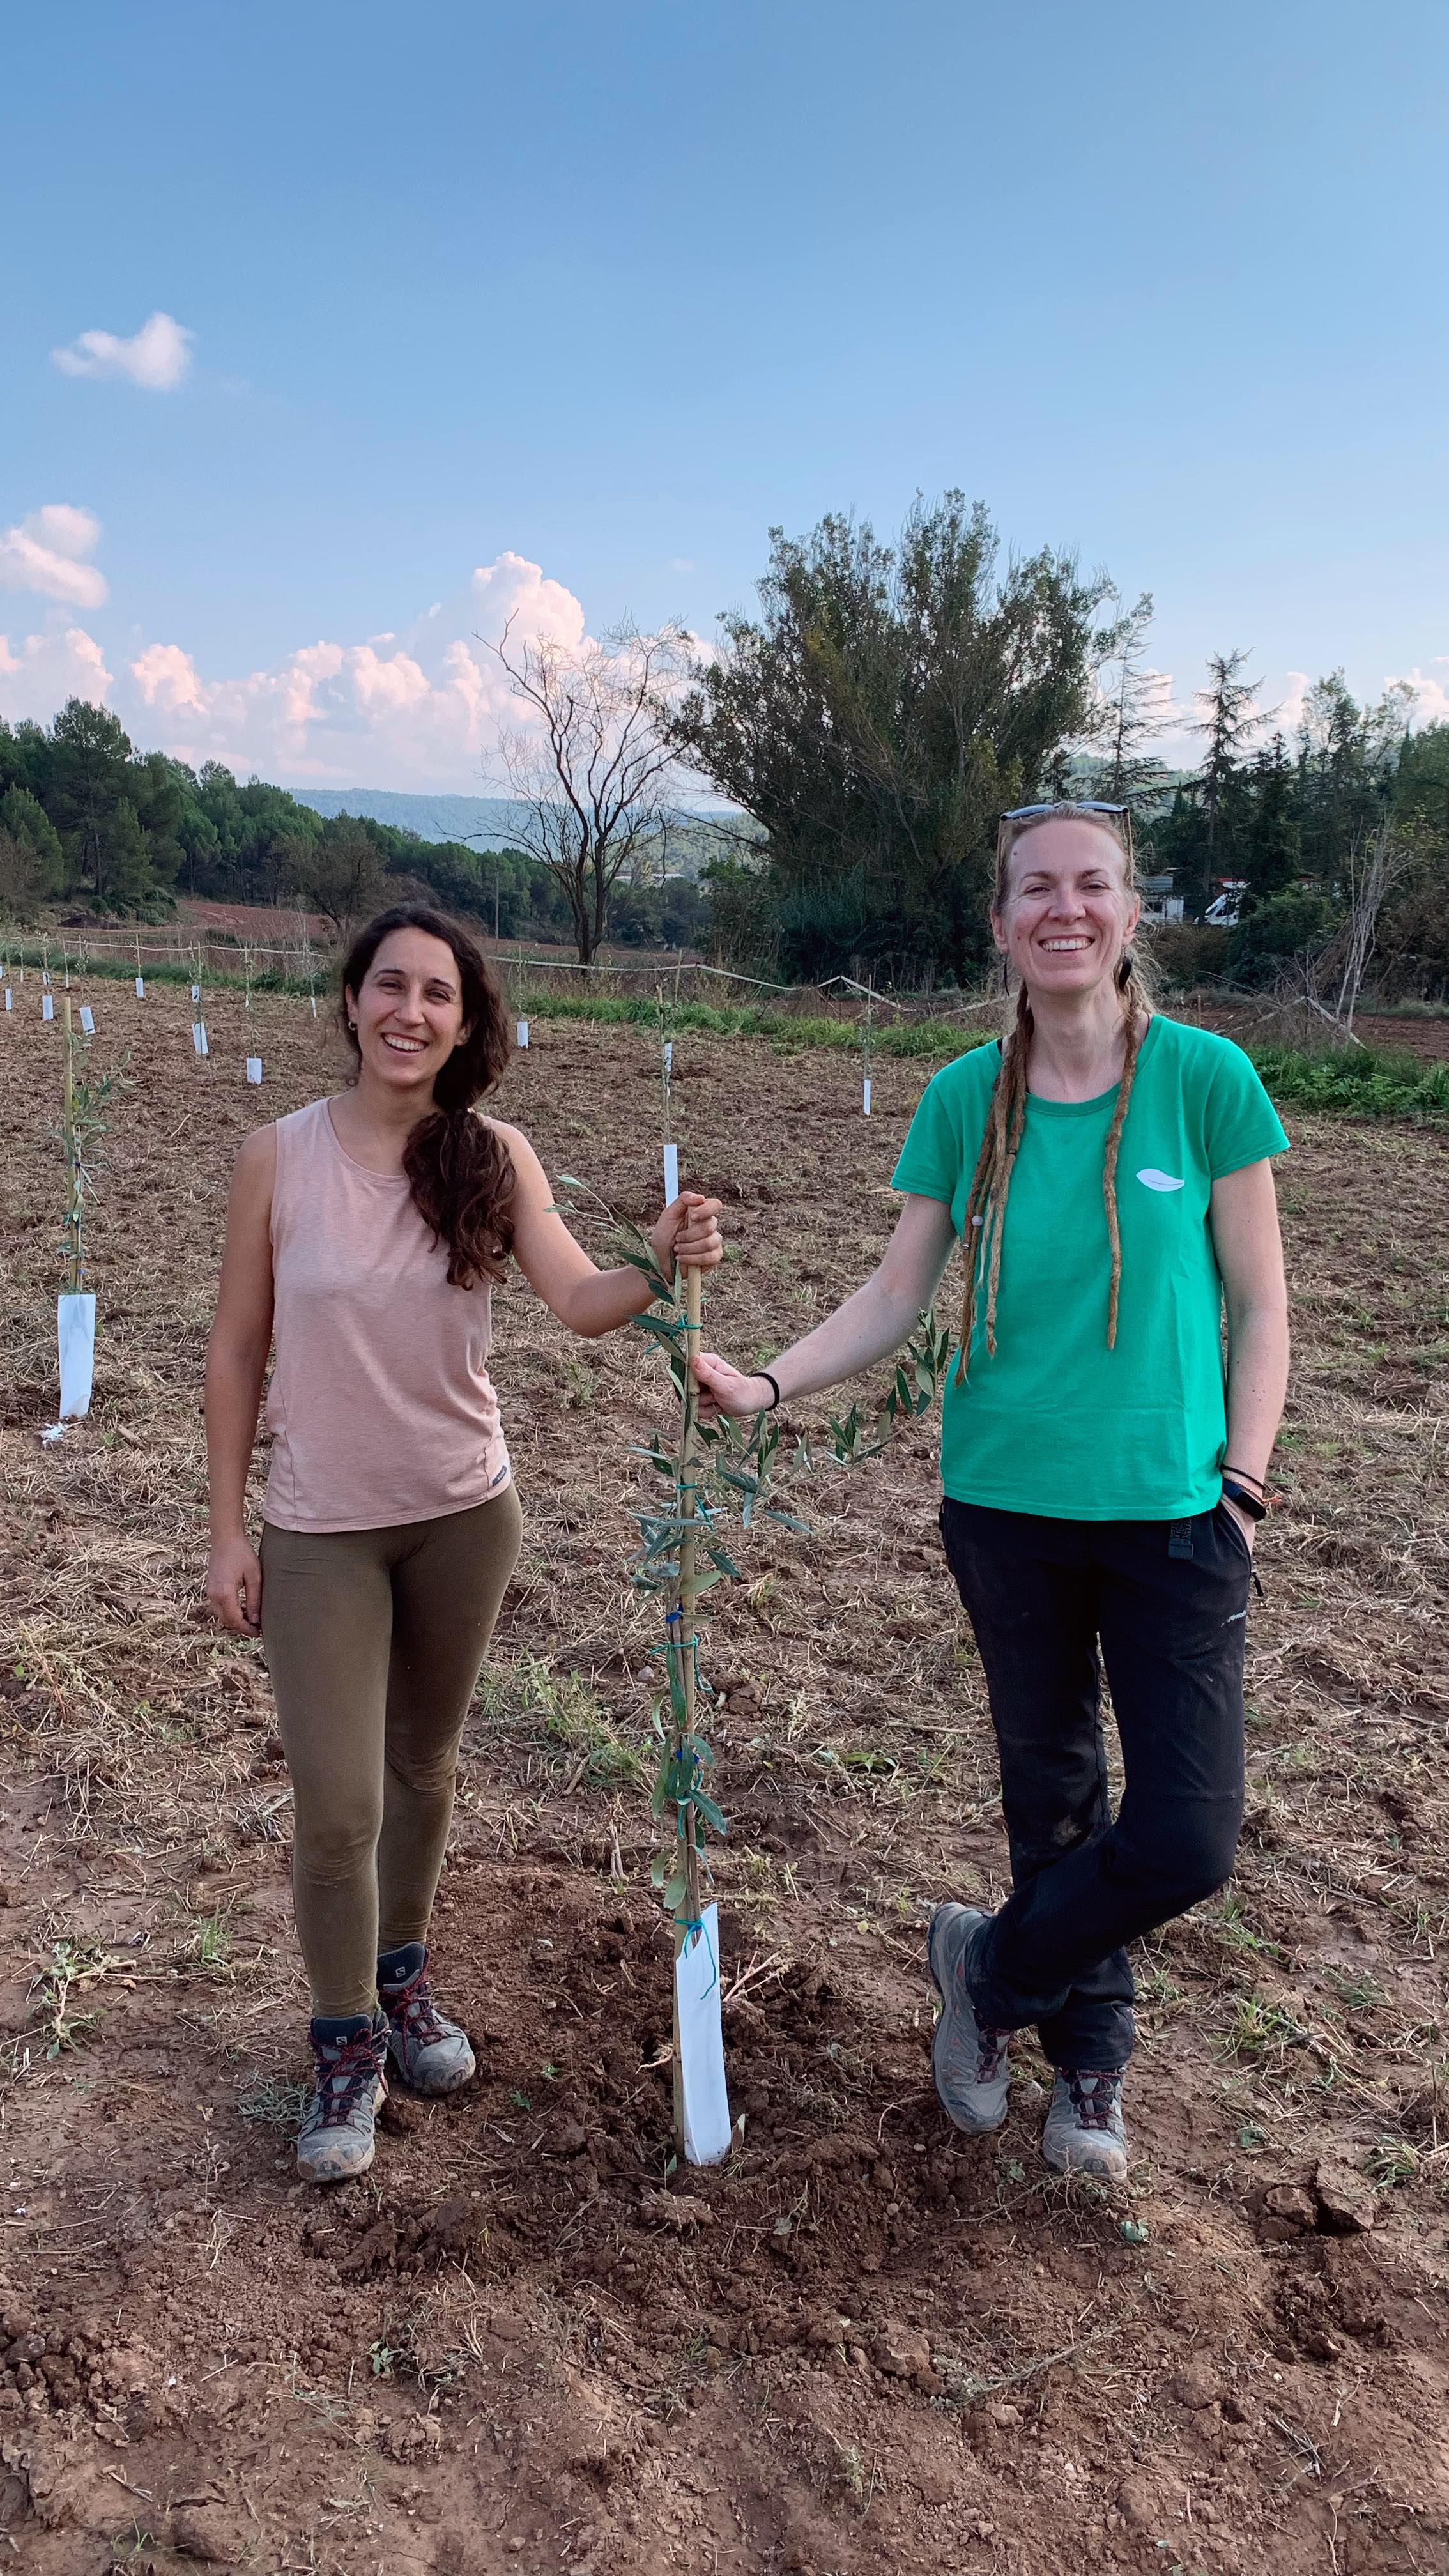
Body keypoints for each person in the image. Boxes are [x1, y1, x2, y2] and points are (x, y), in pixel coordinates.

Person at [694, 804, 1289, 2181]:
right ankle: (1090, 2068)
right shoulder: (970, 1095)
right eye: (1037, 888)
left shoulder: (1207, 1083)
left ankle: (988, 1970)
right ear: (1002, 920)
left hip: (1176, 1513)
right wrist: (773, 1386)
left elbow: (1263, 1306)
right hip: (1008, 1507)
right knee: (1056, 1793)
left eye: (1092, 886)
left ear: (1133, 914)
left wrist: (1243, 1488)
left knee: (1190, 1833)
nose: (1064, 909)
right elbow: (901, 1290)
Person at [204, 903, 723, 2184]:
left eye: (438, 995)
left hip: (462, 1517)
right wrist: (226, 1528)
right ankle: (341, 2049)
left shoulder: (493, 1155)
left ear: (465, 1022)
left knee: (423, 1772)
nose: (411, 1012)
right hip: (322, 1527)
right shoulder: (278, 1155)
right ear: (351, 1000)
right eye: (391, 986)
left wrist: (655, 1266)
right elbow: (234, 1348)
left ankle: (400, 1983)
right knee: (336, 1804)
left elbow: (582, 1302)